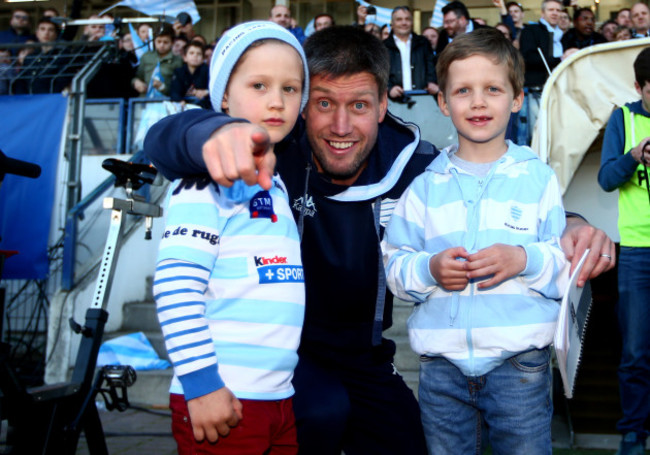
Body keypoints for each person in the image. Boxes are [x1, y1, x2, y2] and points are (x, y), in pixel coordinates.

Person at [143, 24, 615, 455]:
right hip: (288, 360)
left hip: (368, 357)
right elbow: (163, 140)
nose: (342, 127)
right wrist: (212, 131)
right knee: (322, 411)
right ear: (304, 102)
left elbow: (483, 181)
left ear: (384, 105)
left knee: (410, 443)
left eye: (360, 106)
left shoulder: (419, 167)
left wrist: (571, 221)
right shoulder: (271, 150)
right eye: (324, 103)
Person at [383, 28, 568, 455]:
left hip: (520, 366)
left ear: (517, 99)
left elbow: (562, 269)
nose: (479, 102)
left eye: (493, 89)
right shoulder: (424, 186)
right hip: (441, 369)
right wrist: (429, 269)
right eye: (463, 91)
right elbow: (394, 267)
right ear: (444, 103)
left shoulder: (538, 177)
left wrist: (523, 259)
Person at [154, 20, 308, 454]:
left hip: (278, 398)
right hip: (221, 398)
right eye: (258, 85)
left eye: (291, 88)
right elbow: (175, 285)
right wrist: (202, 385)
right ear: (222, 96)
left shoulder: (276, 186)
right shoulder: (204, 182)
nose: (277, 101)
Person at [598, 46, 650, 455]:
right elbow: (605, 180)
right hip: (636, 251)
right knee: (635, 350)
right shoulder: (623, 117)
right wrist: (634, 156)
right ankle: (633, 433)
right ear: (639, 87)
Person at [518, 0, 570, 145]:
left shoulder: (563, 36)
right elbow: (527, 58)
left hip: (558, 92)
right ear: (542, 13)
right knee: (536, 135)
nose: (555, 13)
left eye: (558, 10)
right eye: (551, 10)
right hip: (536, 90)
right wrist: (559, 59)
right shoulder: (531, 31)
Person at [384, 6, 438, 100]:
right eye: (399, 19)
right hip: (394, 101)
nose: (404, 23)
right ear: (392, 23)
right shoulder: (383, 46)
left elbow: (431, 66)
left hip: (423, 98)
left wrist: (431, 82)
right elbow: (379, 74)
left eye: (407, 19)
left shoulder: (423, 43)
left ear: (412, 22)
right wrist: (389, 89)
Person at [132, 23, 182, 97]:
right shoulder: (146, 57)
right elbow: (138, 77)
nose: (162, 45)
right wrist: (136, 82)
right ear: (154, 41)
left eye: (165, 42)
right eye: (159, 41)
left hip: (166, 101)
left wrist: (163, 87)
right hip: (145, 101)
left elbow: (180, 86)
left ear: (172, 43)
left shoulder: (177, 60)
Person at [170, 40, 210, 108]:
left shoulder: (208, 71)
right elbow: (174, 91)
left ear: (203, 58)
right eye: (191, 53)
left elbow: (214, 89)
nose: (195, 56)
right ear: (185, 57)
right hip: (184, 106)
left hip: (203, 108)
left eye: (199, 54)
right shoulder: (179, 72)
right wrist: (179, 100)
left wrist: (206, 92)